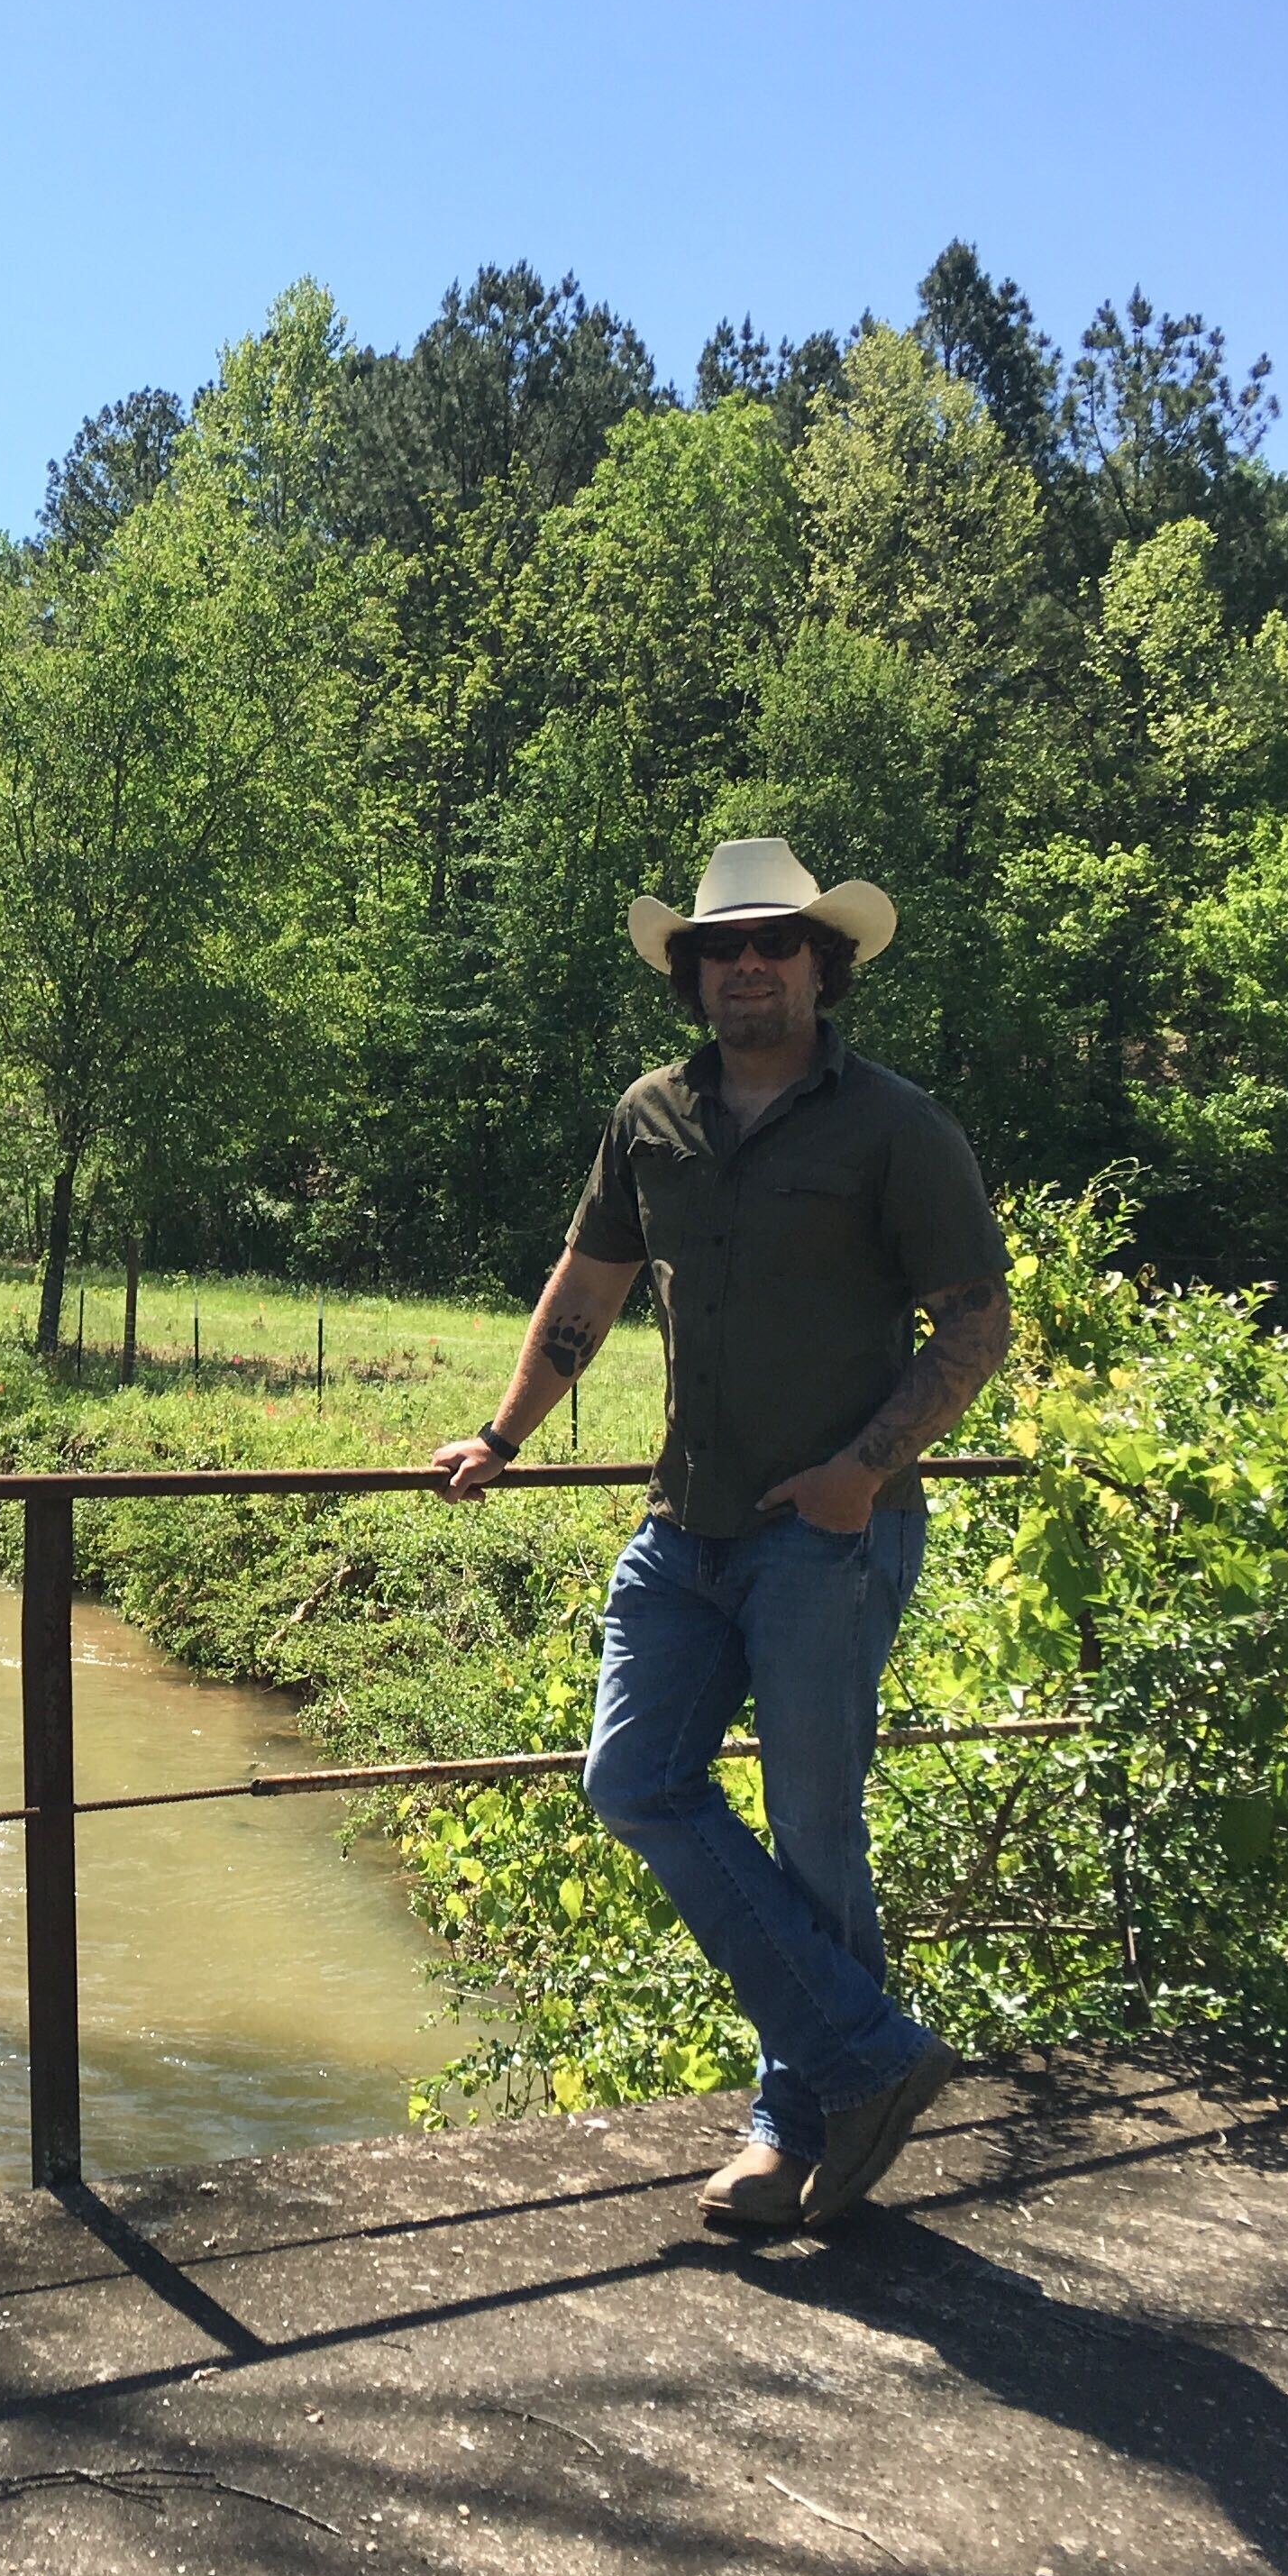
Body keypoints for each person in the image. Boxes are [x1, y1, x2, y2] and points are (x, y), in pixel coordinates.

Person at [432, 838, 1011, 2232]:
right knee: (634, 1784)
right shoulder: (651, 1116)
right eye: (722, 949)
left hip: (826, 1540)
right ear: (694, 974)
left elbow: (975, 1329)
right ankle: (867, 2059)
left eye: (775, 944)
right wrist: (502, 1436)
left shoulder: (893, 1127)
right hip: (680, 1533)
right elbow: (591, 1283)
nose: (747, 966)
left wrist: (859, 1476)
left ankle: (789, 2128)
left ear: (825, 964)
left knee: (816, 1834)